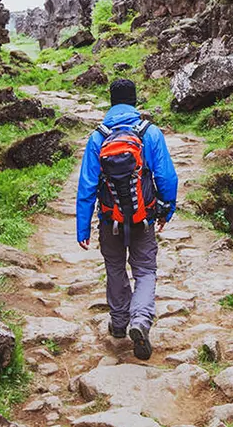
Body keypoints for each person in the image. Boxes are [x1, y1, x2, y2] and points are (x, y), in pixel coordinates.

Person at [76, 78, 178, 360]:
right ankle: (140, 321)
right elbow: (166, 177)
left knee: (115, 268)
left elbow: (86, 187)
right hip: (143, 217)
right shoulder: (149, 133)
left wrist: (82, 227)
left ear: (111, 102)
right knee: (145, 270)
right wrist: (166, 209)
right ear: (134, 102)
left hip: (111, 220)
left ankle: (119, 324)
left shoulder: (98, 137)